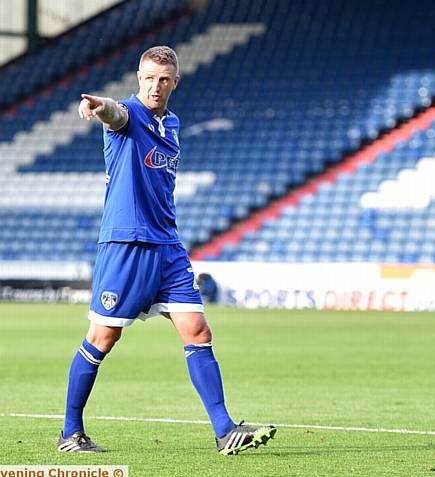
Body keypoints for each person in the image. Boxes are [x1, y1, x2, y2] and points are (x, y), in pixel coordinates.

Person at [57, 46, 276, 455]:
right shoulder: (127, 115)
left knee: (199, 332)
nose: (155, 86)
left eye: (163, 80)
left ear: (175, 82)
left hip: (169, 247)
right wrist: (100, 105)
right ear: (138, 79)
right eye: (148, 78)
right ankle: (71, 432)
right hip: (127, 245)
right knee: (102, 338)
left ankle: (225, 429)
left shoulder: (172, 123)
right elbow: (114, 114)